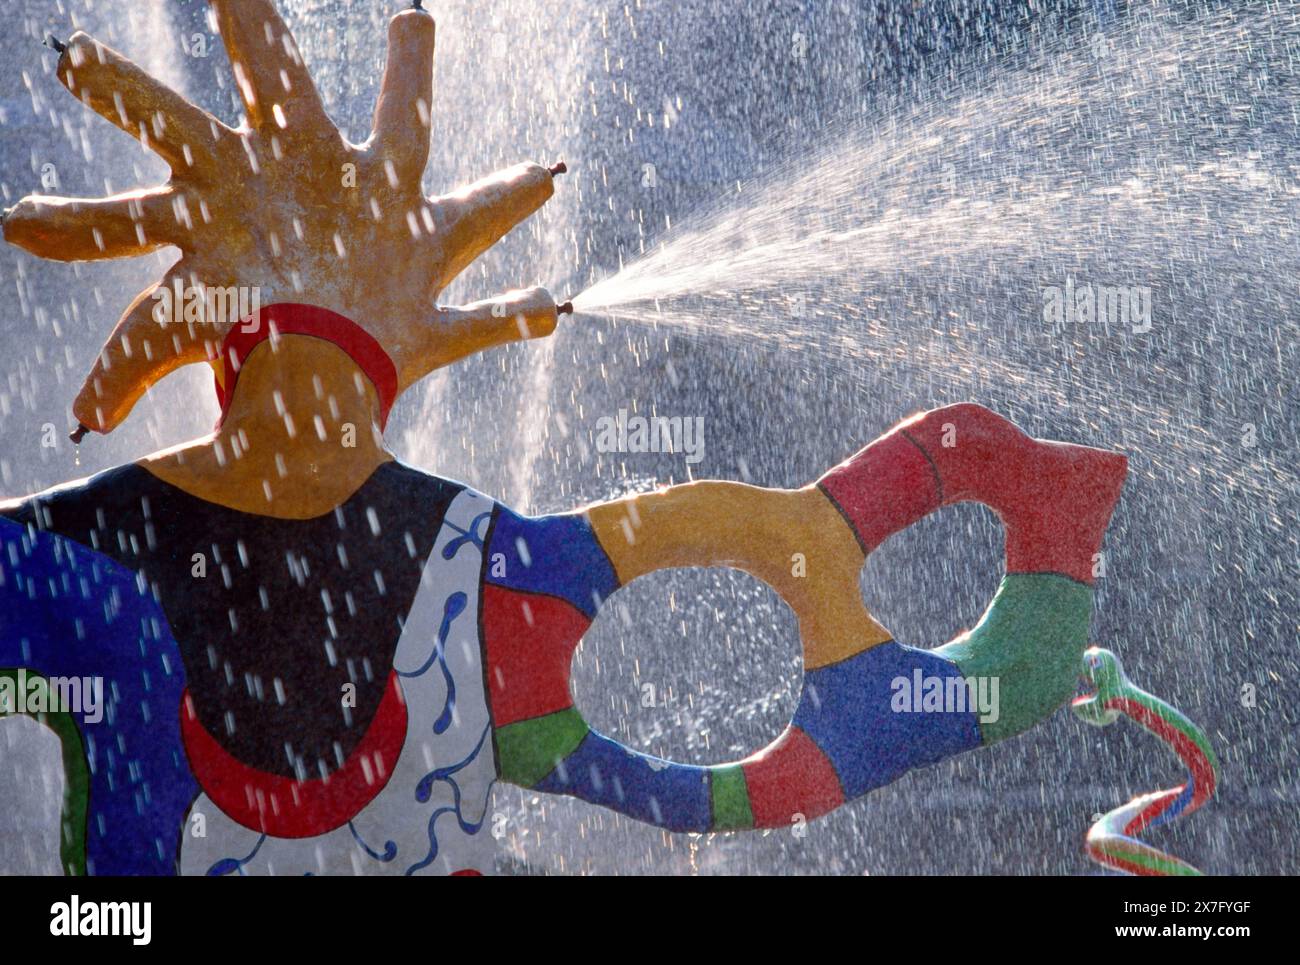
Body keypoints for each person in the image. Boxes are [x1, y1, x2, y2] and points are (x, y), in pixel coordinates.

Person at [0, 0, 1126, 875]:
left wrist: (978, 583)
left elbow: (763, 726)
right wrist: (1010, 593)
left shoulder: (90, 565)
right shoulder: (480, 578)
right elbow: (774, 740)